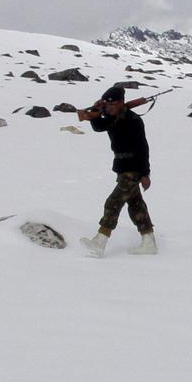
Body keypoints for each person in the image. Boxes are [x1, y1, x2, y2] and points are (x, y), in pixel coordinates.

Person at [78, 86, 157, 257]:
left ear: (121, 103)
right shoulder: (113, 117)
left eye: (112, 104)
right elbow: (99, 126)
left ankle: (100, 241)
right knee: (136, 205)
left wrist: (145, 174)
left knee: (113, 203)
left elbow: (143, 148)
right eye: (107, 104)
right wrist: (96, 110)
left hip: (134, 169)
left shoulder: (133, 120)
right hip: (122, 167)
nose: (109, 107)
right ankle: (149, 241)